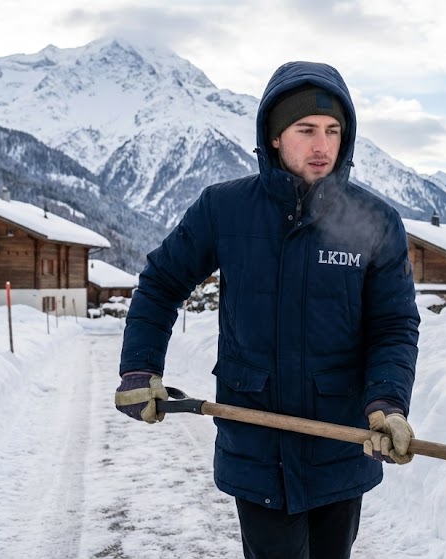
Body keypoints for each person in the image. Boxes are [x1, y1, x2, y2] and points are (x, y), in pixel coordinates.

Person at [114, 61, 421, 559]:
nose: (322, 146)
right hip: (255, 438)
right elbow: (161, 283)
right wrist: (139, 369)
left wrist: (387, 402)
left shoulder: (375, 221)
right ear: (275, 136)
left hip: (340, 442)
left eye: (333, 131)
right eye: (306, 130)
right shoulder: (224, 209)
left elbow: (393, 325)